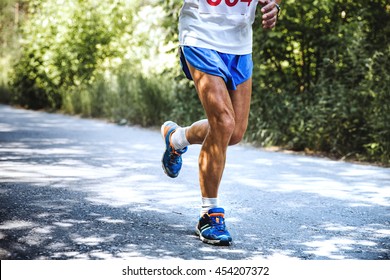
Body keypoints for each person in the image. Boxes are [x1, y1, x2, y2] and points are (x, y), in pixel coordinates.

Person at [161, 0, 281, 246]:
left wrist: (274, 5)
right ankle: (209, 213)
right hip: (200, 33)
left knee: (233, 132)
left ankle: (177, 138)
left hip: (239, 41)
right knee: (224, 123)